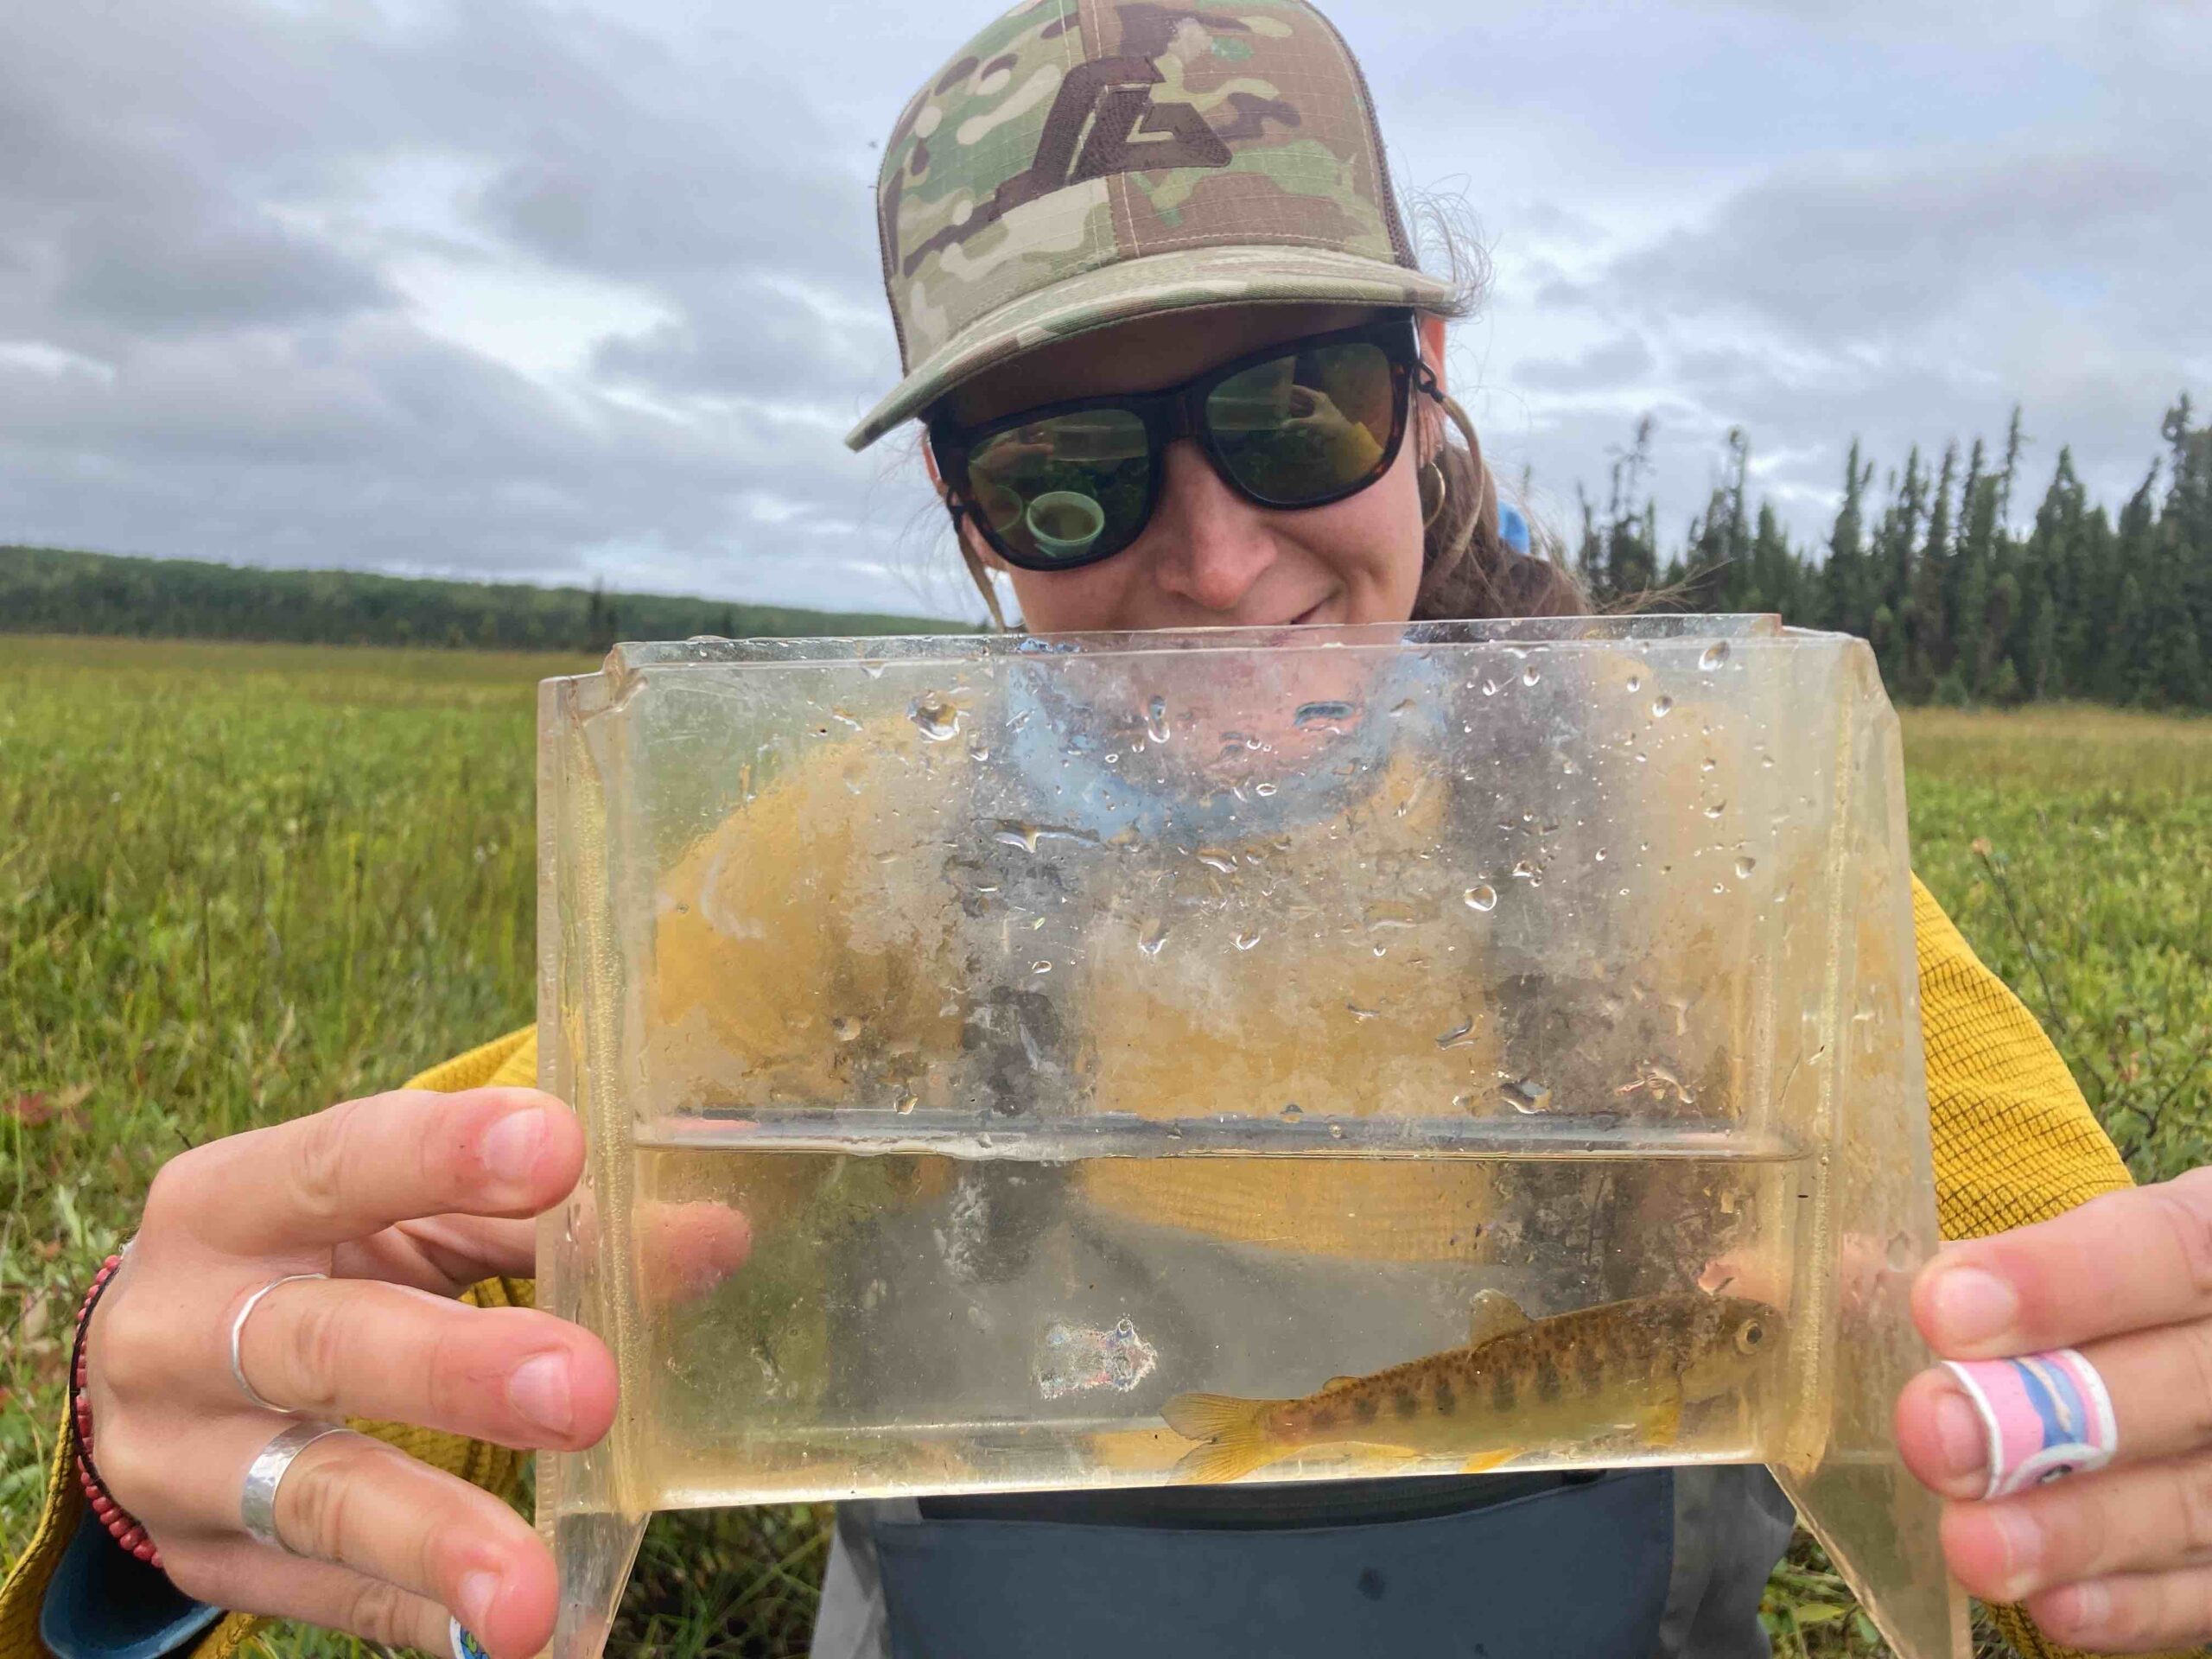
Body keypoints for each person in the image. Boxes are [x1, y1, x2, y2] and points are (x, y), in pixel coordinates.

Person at [3, 3, 2207, 1657]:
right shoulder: (836, 864)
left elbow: (2072, 1421)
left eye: (1291, 409)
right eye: (1067, 470)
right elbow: (463, 1306)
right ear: (965, 519)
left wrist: (2130, 1474)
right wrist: (154, 1463)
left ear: (1420, 384)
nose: (1215, 560)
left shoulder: (1710, 819)